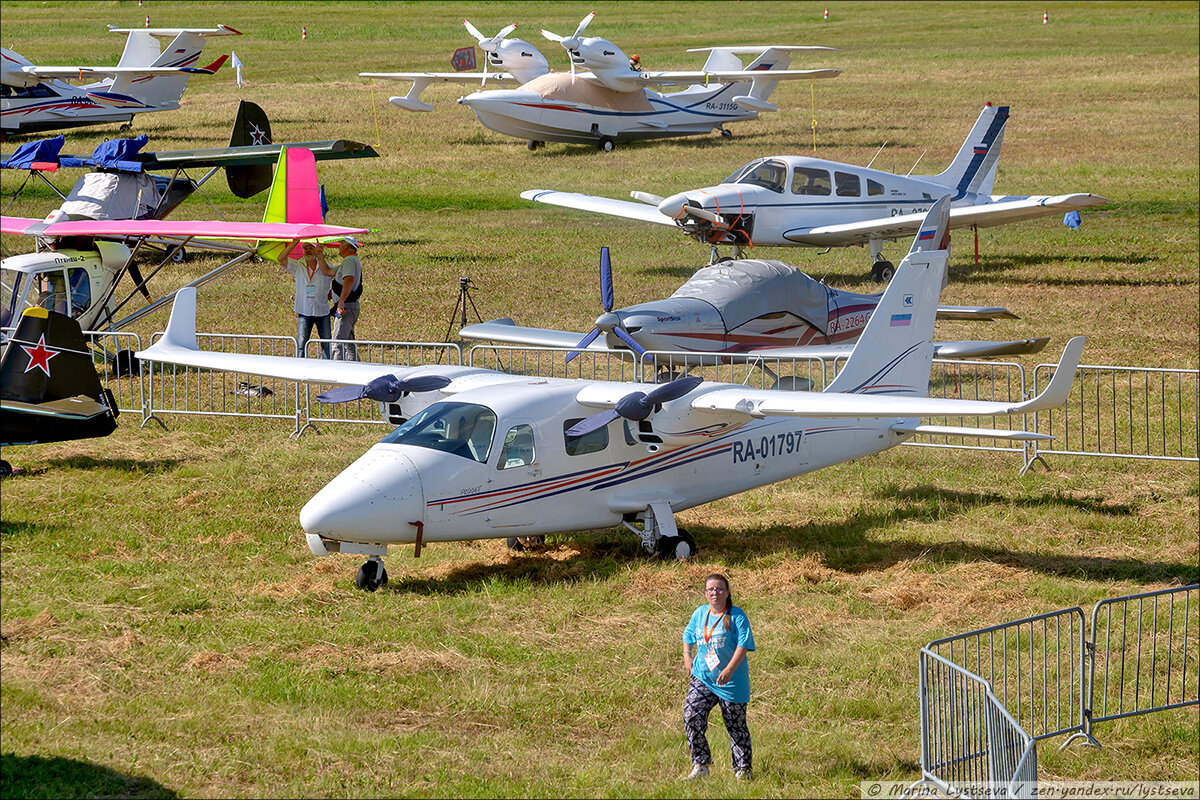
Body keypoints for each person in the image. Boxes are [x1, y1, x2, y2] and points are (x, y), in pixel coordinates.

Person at [681, 573, 755, 781]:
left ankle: (743, 770)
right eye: (711, 589)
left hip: (731, 682)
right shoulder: (699, 614)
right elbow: (687, 635)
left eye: (720, 589)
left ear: (727, 592)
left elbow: (744, 644)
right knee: (691, 716)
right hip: (703, 677)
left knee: (736, 725)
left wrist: (730, 669)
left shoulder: (737, 615)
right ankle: (701, 765)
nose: (715, 593)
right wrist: (687, 656)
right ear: (705, 593)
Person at [280, 242, 334, 358]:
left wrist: (332, 295)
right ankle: (300, 372)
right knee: (301, 345)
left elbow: (339, 281)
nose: (308, 250)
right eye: (306, 249)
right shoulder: (298, 266)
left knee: (327, 345)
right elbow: (281, 258)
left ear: (317, 251)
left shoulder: (327, 267)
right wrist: (295, 242)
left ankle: (327, 371)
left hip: (322, 311)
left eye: (311, 248)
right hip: (304, 311)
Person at [318, 237, 363, 361]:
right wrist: (319, 255)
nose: (339, 247)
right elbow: (326, 271)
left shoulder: (349, 261)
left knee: (337, 342)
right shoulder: (349, 262)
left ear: (348, 247)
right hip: (350, 306)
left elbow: (349, 280)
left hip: (345, 307)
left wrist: (341, 302)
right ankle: (356, 369)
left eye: (341, 244)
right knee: (348, 343)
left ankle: (336, 372)